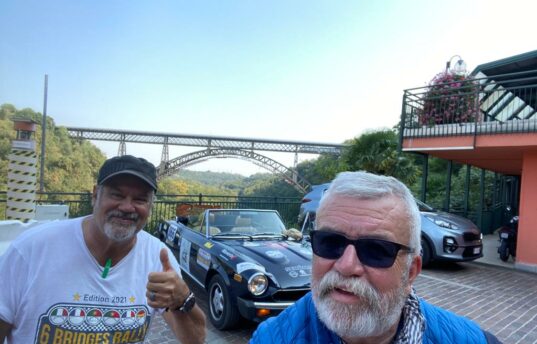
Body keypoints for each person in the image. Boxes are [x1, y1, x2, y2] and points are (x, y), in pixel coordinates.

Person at [250, 171, 502, 344]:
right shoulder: (272, 338)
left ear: (411, 271)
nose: (347, 266)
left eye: (376, 250)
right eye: (330, 243)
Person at [0, 155, 206, 344]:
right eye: (117, 195)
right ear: (95, 195)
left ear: (151, 206)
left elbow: (195, 340)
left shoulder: (157, 258)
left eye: (140, 199)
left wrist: (183, 300)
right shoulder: (31, 249)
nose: (127, 207)